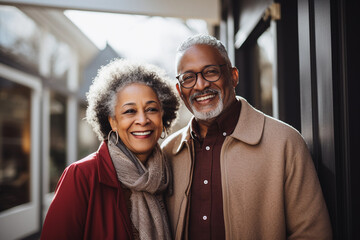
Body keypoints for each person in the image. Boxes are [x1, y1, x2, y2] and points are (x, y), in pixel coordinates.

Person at [161, 34, 332, 239]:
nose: (200, 85)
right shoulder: (168, 152)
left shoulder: (285, 142)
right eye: (189, 78)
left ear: (233, 76)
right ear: (180, 90)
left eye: (211, 72)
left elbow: (312, 233)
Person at [41, 59, 179, 240]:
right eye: (130, 111)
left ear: (163, 116)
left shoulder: (168, 175)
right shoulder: (81, 176)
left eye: (151, 109)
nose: (142, 120)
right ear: (112, 121)